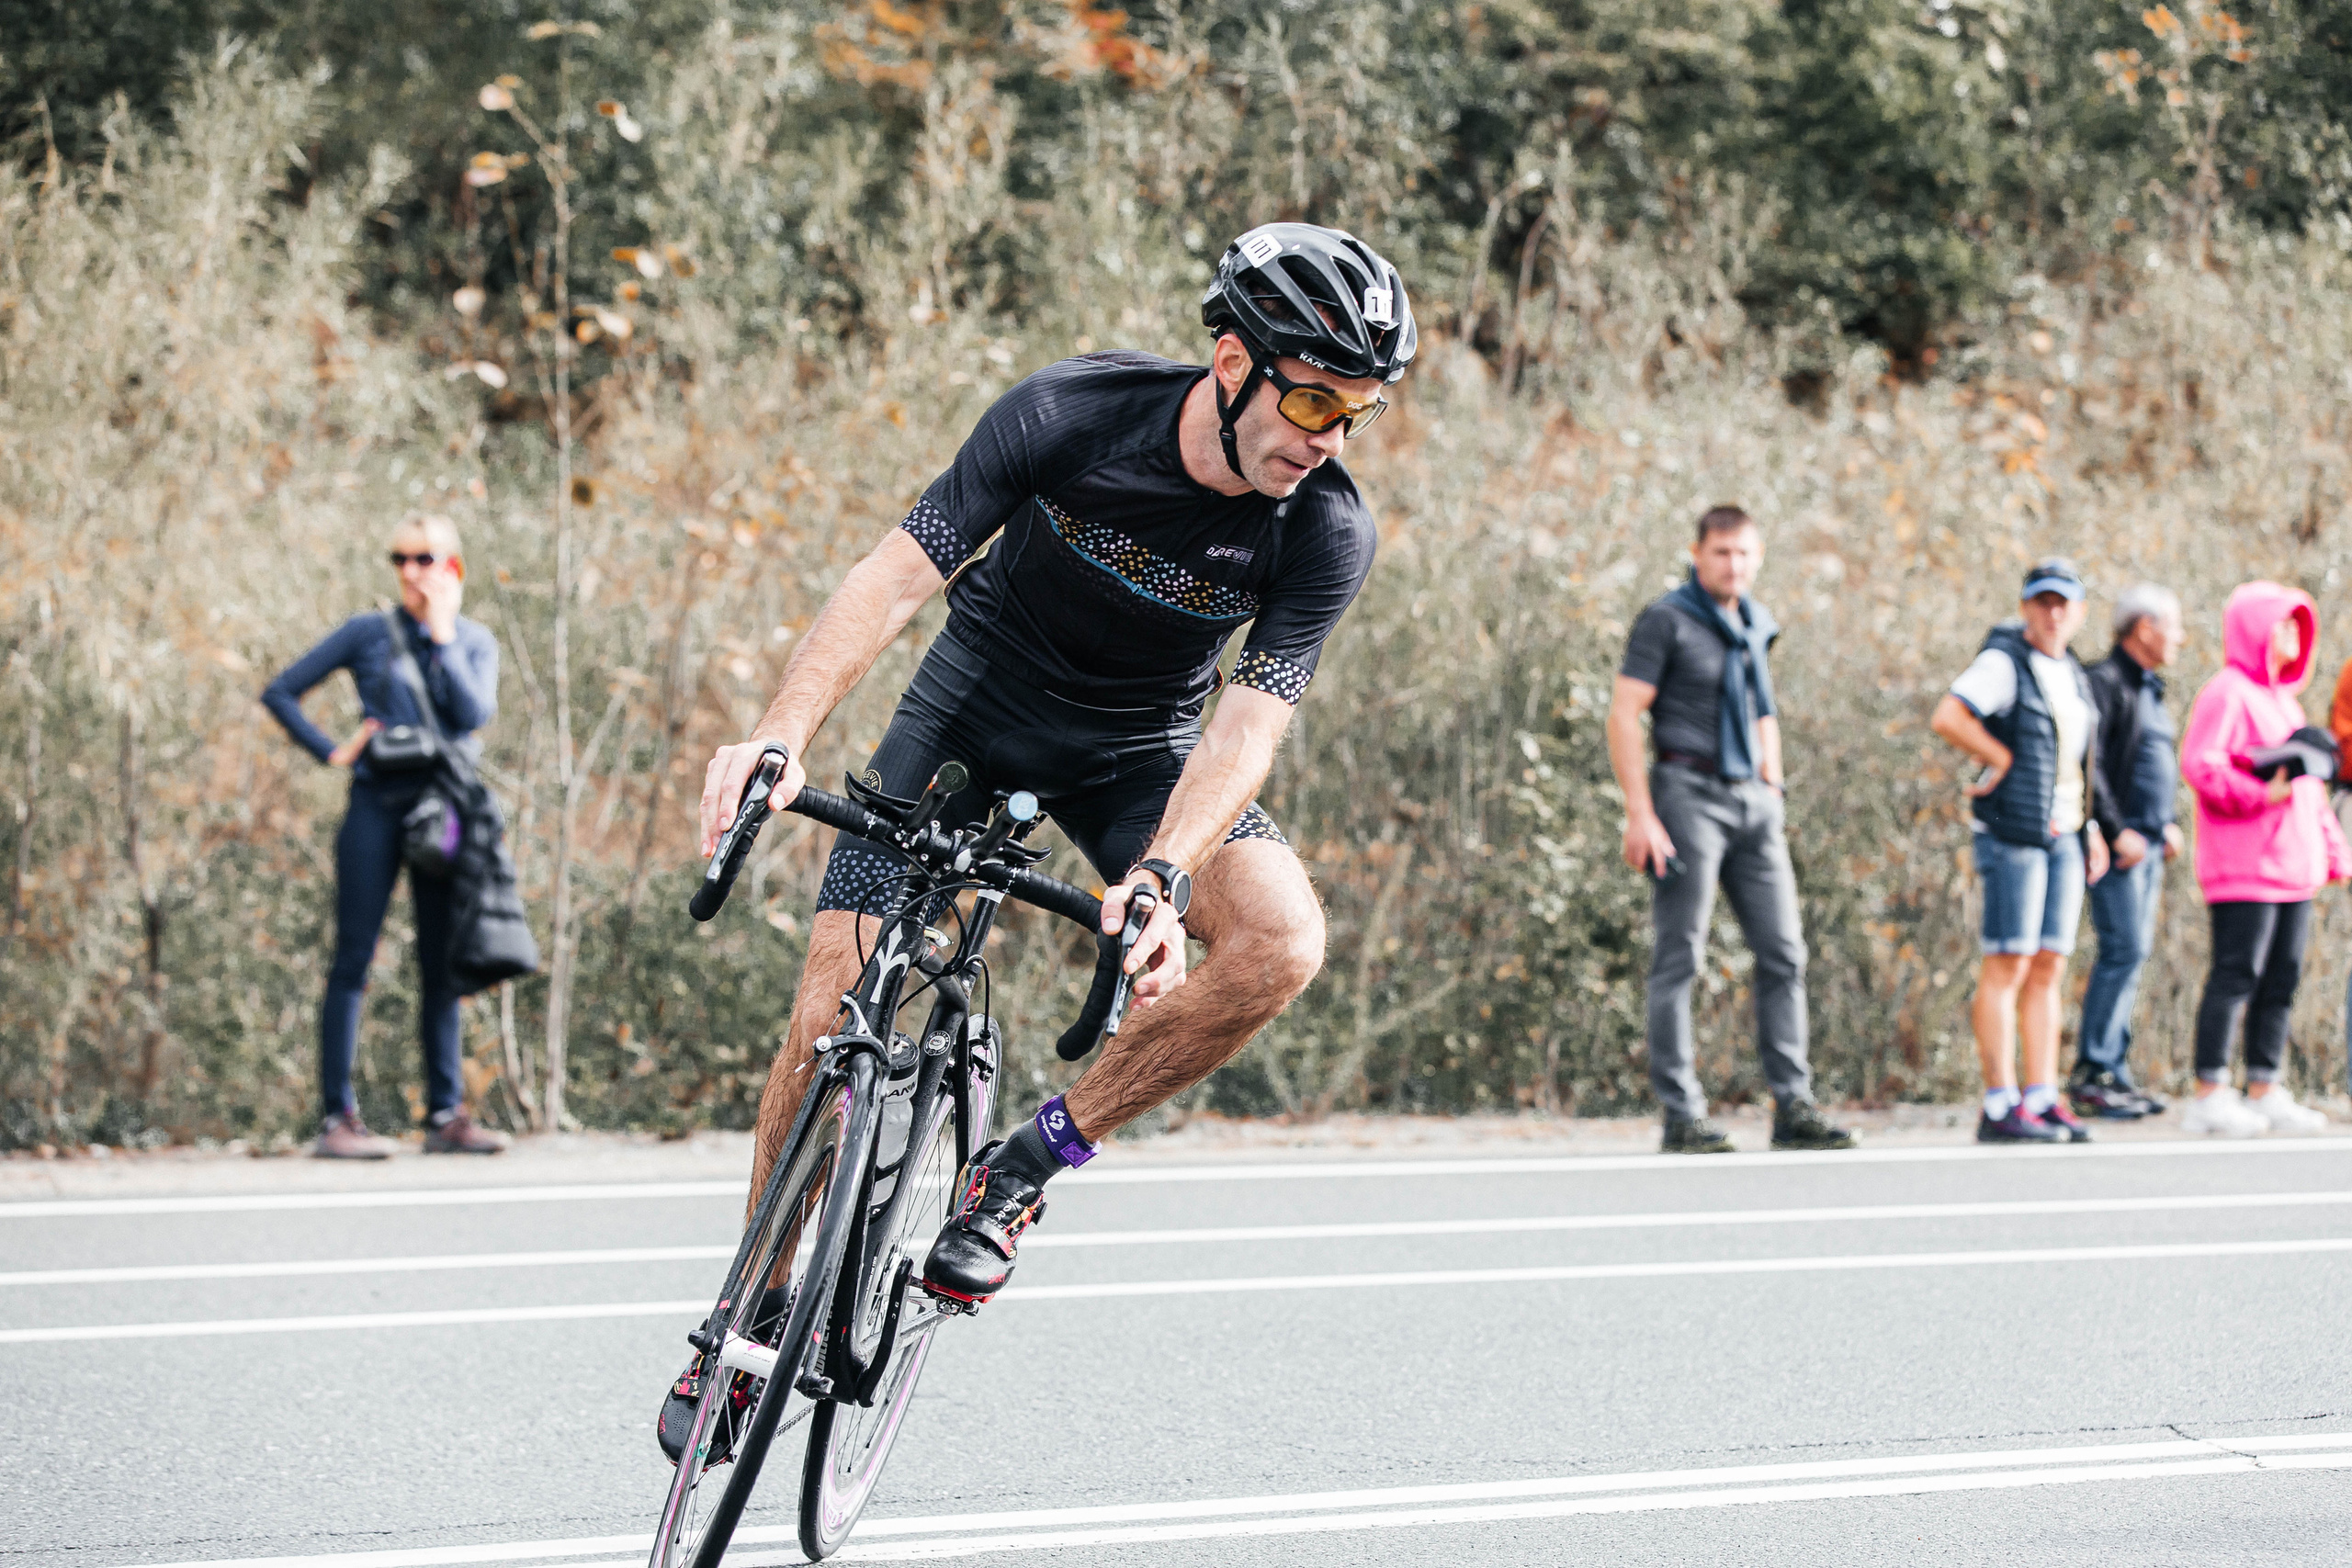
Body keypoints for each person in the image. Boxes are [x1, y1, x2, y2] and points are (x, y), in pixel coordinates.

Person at [664, 223, 1416, 1452]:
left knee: (1281, 939)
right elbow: (896, 575)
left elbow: (1247, 727)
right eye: (1314, 396)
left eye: (1357, 412)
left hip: (1141, 758)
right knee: (827, 1013)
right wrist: (778, 734)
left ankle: (1023, 1163)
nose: (1327, 437)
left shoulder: (1325, 527)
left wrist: (1163, 874)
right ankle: (747, 1307)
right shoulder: (1070, 412)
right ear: (1233, 362)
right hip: (972, 714)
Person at [1603, 507, 1854, 1154]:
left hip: (1754, 803)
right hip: (1688, 795)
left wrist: (1774, 783)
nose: (1732, 565)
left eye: (1743, 553)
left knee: (1784, 952)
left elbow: (1762, 708)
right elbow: (1626, 713)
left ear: (1758, 555)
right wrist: (1641, 812)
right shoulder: (1667, 619)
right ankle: (1682, 1114)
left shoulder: (1754, 621)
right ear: (1698, 552)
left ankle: (1793, 1104)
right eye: (1720, 552)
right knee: (1680, 954)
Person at [260, 516, 509, 1158]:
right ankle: (337, 1120)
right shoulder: (367, 631)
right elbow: (281, 690)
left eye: (423, 557)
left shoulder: (474, 640)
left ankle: (446, 1116)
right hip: (374, 806)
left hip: (442, 812)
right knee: (352, 960)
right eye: (399, 557)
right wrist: (332, 750)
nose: (408, 570)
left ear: (451, 566)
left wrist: (444, 632)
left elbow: (473, 713)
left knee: (441, 965)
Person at [1929, 558, 2117, 1144]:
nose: (2053, 613)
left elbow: (2077, 763)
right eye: (2042, 602)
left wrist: (2091, 828)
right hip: (2014, 833)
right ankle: (1999, 1101)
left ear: (2081, 612)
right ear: (2025, 607)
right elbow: (1949, 715)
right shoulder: (2004, 662)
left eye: (2064, 603)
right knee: (2007, 961)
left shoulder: (2076, 675)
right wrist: (2001, 758)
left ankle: (2042, 1095)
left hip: (2063, 832)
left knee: (2049, 965)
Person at [2175, 581, 2346, 1135]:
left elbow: (2312, 789)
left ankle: (2265, 1086)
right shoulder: (2226, 693)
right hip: (2244, 867)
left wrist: (2332, 850)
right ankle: (2209, 1093)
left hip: (2294, 871)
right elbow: (2202, 766)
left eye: (2300, 624)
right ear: (2255, 627)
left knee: (2282, 979)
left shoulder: (2285, 702)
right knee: (2236, 975)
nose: (2295, 634)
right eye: (2284, 622)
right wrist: (2257, 795)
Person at [2070, 583, 2187, 1119]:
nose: (2179, 638)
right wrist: (2116, 830)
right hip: (2121, 848)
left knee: (2132, 954)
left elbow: (2150, 764)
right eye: (2173, 625)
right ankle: (2094, 1072)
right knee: (2122, 950)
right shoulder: (2106, 681)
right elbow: (2091, 764)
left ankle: (2114, 1069)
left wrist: (2167, 823)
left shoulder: (2149, 688)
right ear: (2144, 628)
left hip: (2149, 842)